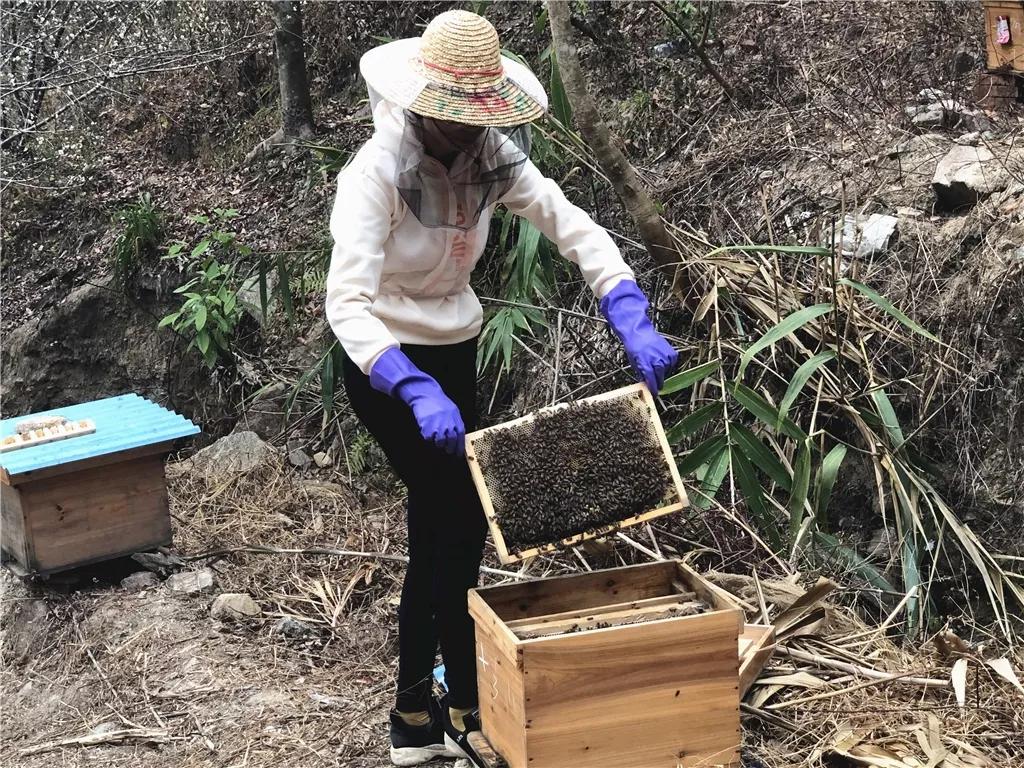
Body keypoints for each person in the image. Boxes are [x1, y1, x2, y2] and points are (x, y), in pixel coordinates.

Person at [325, 10, 678, 767]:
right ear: (425, 105)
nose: (470, 132)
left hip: (455, 351)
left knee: (467, 523)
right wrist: (412, 388)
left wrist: (627, 307)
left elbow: (570, 222)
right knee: (442, 524)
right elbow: (345, 303)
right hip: (385, 362)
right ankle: (415, 717)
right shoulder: (376, 171)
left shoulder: (491, 151)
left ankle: (457, 702)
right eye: (458, 119)